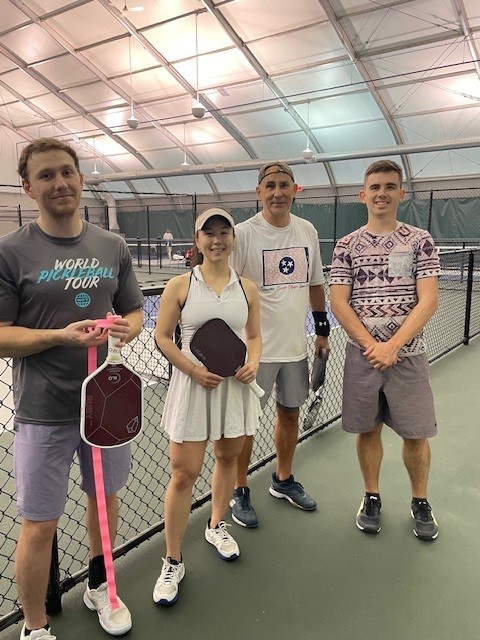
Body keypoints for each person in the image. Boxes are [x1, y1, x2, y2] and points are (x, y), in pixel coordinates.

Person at [0, 137, 144, 640]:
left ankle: (101, 588)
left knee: (104, 502)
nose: (59, 183)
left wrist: (129, 327)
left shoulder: (113, 246)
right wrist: (58, 337)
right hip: (44, 410)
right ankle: (35, 626)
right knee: (40, 524)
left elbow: (133, 310)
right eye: (46, 176)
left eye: (67, 172)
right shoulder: (10, 251)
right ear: (28, 187)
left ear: (82, 179)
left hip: (105, 406)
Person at [153, 208, 262, 605]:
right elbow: (164, 338)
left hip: (234, 388)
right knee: (183, 474)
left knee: (228, 459)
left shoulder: (247, 288)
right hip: (193, 387)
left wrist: (253, 363)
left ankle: (216, 524)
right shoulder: (180, 285)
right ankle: (173, 559)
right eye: (208, 233)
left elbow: (253, 335)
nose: (217, 240)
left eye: (224, 233)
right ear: (197, 241)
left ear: (233, 239)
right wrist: (194, 371)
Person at [329, 159, 440, 541]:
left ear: (401, 194)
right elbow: (340, 303)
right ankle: (371, 496)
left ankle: (420, 501)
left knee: (416, 434)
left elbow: (427, 301)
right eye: (375, 187)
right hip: (363, 358)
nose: (381, 194)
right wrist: (372, 346)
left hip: (408, 358)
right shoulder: (347, 245)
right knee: (368, 429)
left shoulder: (420, 240)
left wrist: (392, 346)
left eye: (389, 187)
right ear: (363, 195)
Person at [228, 162, 330, 528]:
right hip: (253, 353)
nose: (277, 192)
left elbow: (316, 283)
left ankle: (282, 479)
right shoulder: (243, 235)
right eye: (269, 186)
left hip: (295, 349)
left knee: (290, 415)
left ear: (294, 190)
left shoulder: (307, 230)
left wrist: (322, 331)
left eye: (284, 185)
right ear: (259, 192)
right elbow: (226, 288)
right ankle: (239, 489)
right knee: (244, 425)